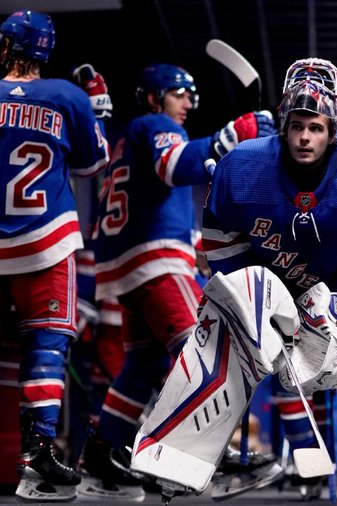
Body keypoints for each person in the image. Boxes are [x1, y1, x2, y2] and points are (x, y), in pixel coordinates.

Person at [129, 57, 337, 505]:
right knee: (217, 336)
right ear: (284, 122)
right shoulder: (241, 166)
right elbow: (217, 237)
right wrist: (253, 302)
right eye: (297, 124)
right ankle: (170, 459)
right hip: (263, 275)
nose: (304, 137)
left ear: (333, 129)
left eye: (315, 127)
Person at [80, 61, 276, 501]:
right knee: (208, 350)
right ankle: (212, 453)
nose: (188, 102)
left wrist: (237, 153)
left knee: (143, 366)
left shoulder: (127, 140)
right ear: (154, 98)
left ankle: (101, 453)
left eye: (192, 95)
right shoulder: (153, 125)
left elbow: (195, 170)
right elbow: (176, 166)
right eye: (179, 93)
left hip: (124, 269)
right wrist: (235, 133)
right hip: (155, 261)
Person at [0, 10, 110, 502]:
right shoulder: (67, 97)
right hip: (45, 239)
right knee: (46, 348)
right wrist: (98, 110)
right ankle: (37, 456)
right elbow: (94, 162)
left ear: (6, 45)